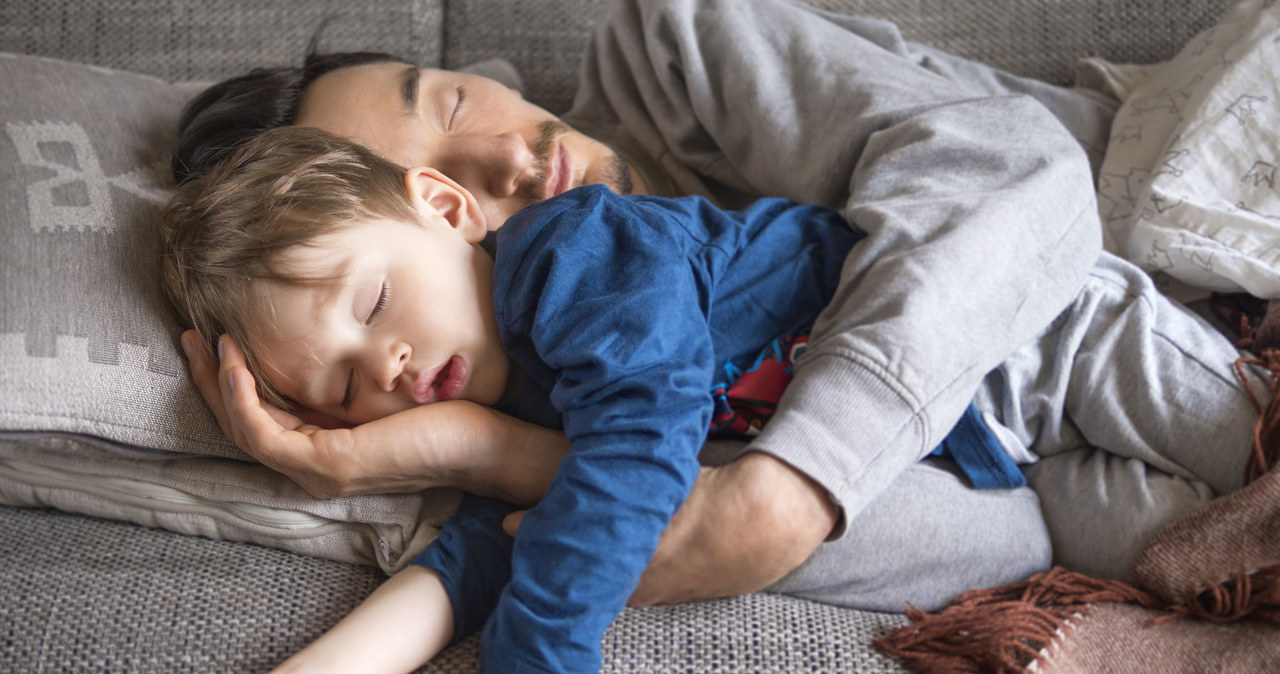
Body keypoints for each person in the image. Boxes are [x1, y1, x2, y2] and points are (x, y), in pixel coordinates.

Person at [170, 0, 1195, 610]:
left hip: (1169, 245)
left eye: (445, 105)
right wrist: (485, 450)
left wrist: (784, 492)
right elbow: (1001, 532)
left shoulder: (675, 50)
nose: (504, 168)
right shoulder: (527, 369)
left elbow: (1012, 171)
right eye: (449, 189)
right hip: (1041, 458)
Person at [161, 125, 1264, 674]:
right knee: (1187, 561)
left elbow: (637, 443)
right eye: (345, 391)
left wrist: (539, 651)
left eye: (376, 302)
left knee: (1250, 450)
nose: (389, 367)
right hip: (990, 477)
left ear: (446, 209)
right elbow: (460, 570)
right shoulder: (500, 435)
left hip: (1033, 338)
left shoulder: (572, 256)